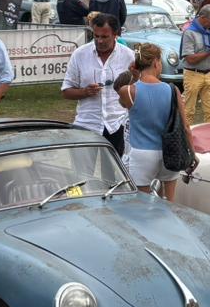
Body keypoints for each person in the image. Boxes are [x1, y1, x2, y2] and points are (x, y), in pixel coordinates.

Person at [116, 43, 189, 199]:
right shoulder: (172, 90)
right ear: (156, 62)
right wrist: (192, 152)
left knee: (140, 204)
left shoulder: (128, 91)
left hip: (142, 153)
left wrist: (135, 76)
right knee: (170, 201)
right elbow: (186, 126)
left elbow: (124, 104)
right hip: (170, 150)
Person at [61, 12, 133, 154]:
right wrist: (84, 92)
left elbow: (137, 87)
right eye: (96, 36)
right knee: (84, 173)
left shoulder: (128, 55)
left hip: (117, 125)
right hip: (87, 125)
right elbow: (66, 91)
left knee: (114, 175)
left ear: (115, 34)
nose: (100, 41)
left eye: (105, 37)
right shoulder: (80, 54)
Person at [174, 4, 210, 125]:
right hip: (193, 74)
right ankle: (187, 138)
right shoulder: (189, 33)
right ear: (203, 17)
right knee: (189, 111)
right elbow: (190, 59)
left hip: (209, 73)